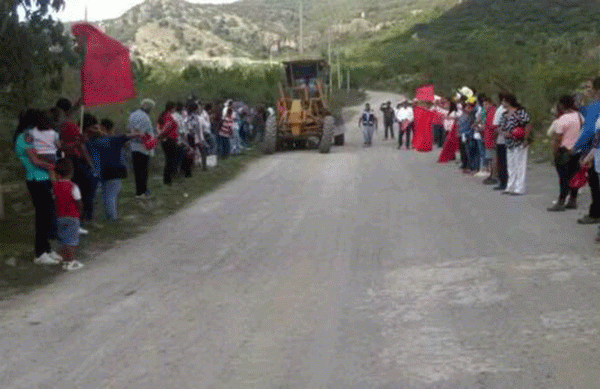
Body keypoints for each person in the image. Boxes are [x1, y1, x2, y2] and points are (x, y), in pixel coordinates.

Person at [13, 109, 62, 265]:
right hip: (36, 179)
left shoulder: (30, 136)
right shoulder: (25, 137)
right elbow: (34, 160)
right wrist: (52, 166)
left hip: (43, 178)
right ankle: (40, 252)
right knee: (42, 216)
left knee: (47, 215)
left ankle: (46, 249)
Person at [86, 117, 140, 221]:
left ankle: (105, 216)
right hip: (114, 170)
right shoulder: (109, 140)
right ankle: (112, 217)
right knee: (110, 195)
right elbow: (124, 137)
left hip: (101, 172)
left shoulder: (90, 142)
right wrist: (138, 134)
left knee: (106, 194)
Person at [55, 98, 94, 234]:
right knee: (83, 190)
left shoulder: (57, 125)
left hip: (63, 159)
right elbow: (81, 145)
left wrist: (80, 99)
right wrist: (90, 163)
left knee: (69, 190)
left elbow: (74, 108)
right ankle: (81, 219)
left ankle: (70, 219)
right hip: (74, 160)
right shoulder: (70, 125)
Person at [572, 77, 600, 224]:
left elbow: (588, 130)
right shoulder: (591, 106)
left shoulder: (596, 105)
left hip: (594, 150)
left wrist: (576, 147)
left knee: (595, 184)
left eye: (589, 87)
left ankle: (595, 213)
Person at [547, 95, 582, 211]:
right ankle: (573, 199)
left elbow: (558, 138)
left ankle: (561, 201)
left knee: (563, 177)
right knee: (574, 175)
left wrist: (554, 152)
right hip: (577, 150)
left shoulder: (562, 119)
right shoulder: (579, 116)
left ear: (561, 105)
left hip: (564, 151)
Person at [52, 158, 84, 271]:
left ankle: (65, 261)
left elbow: (55, 200)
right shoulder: (73, 186)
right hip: (72, 216)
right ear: (71, 171)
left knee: (64, 239)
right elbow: (78, 201)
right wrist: (80, 212)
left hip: (60, 216)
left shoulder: (55, 186)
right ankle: (72, 261)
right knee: (71, 241)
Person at [500, 94, 531, 195]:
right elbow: (500, 127)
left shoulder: (520, 112)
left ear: (509, 101)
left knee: (520, 164)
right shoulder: (504, 114)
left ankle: (519, 188)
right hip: (509, 142)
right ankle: (510, 186)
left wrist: (526, 139)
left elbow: (527, 124)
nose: (502, 103)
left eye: (504, 101)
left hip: (519, 141)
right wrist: (503, 132)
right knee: (511, 165)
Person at [128, 99, 156, 199]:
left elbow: (130, 129)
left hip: (133, 146)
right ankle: (143, 192)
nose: (150, 110)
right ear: (146, 107)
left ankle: (138, 191)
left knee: (137, 170)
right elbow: (139, 131)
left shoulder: (132, 115)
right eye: (150, 108)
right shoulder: (144, 117)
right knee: (143, 170)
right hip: (143, 147)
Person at [157, 102, 179, 185]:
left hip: (165, 140)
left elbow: (158, 127)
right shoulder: (169, 116)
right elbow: (167, 126)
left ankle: (167, 179)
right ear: (172, 108)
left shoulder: (162, 115)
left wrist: (160, 135)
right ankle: (168, 180)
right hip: (170, 139)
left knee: (168, 159)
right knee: (170, 160)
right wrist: (162, 134)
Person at [492, 93, 509, 190]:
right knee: (507, 162)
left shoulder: (499, 110)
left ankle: (503, 182)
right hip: (510, 139)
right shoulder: (512, 110)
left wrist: (494, 139)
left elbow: (495, 126)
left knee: (502, 162)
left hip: (501, 139)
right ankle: (507, 181)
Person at [482, 97, 498, 185]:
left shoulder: (492, 112)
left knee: (493, 158)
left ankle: (494, 176)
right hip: (488, 138)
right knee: (491, 158)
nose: (485, 106)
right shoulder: (489, 112)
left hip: (491, 139)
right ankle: (492, 174)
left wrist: (493, 140)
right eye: (484, 104)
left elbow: (493, 127)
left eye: (486, 104)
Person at [457, 100, 476, 174]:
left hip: (468, 135)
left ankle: (470, 167)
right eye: (467, 107)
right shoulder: (462, 116)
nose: (469, 109)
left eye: (469, 107)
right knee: (464, 151)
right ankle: (465, 165)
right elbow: (459, 125)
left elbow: (471, 126)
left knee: (469, 152)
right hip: (462, 135)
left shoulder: (471, 117)